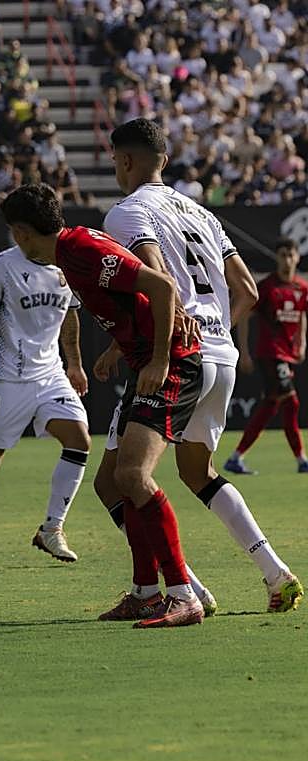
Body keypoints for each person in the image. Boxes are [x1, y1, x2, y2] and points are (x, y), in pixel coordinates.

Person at [98, 119, 302, 614]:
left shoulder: (125, 213)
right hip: (221, 358)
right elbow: (248, 291)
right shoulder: (204, 214)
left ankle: (179, 586)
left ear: (125, 161)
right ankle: (275, 573)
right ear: (164, 161)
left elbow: (158, 274)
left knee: (116, 479)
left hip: (175, 357)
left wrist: (166, 342)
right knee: (198, 472)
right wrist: (215, 333)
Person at [1, 183, 203, 628]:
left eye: (15, 234)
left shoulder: (81, 251)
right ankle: (146, 594)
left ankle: (184, 596)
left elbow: (163, 286)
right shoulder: (73, 254)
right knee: (110, 482)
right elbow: (137, 297)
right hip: (144, 362)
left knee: (133, 474)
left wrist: (159, 358)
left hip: (172, 364)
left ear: (21, 232)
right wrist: (118, 349)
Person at [0, 244, 90, 568]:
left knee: (79, 441)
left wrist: (75, 364)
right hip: (7, 380)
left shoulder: (64, 266)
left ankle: (52, 528)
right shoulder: (3, 265)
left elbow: (70, 316)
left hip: (51, 376)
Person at [226, 237, 308, 475]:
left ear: (297, 257)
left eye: (291, 255)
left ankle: (236, 457)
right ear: (277, 258)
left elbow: (302, 315)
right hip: (270, 353)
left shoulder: (301, 288)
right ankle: (302, 459)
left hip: (288, 354)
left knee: (271, 406)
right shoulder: (267, 288)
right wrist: (244, 352)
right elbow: (244, 317)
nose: (287, 259)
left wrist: (301, 342)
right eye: (282, 255)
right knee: (291, 402)